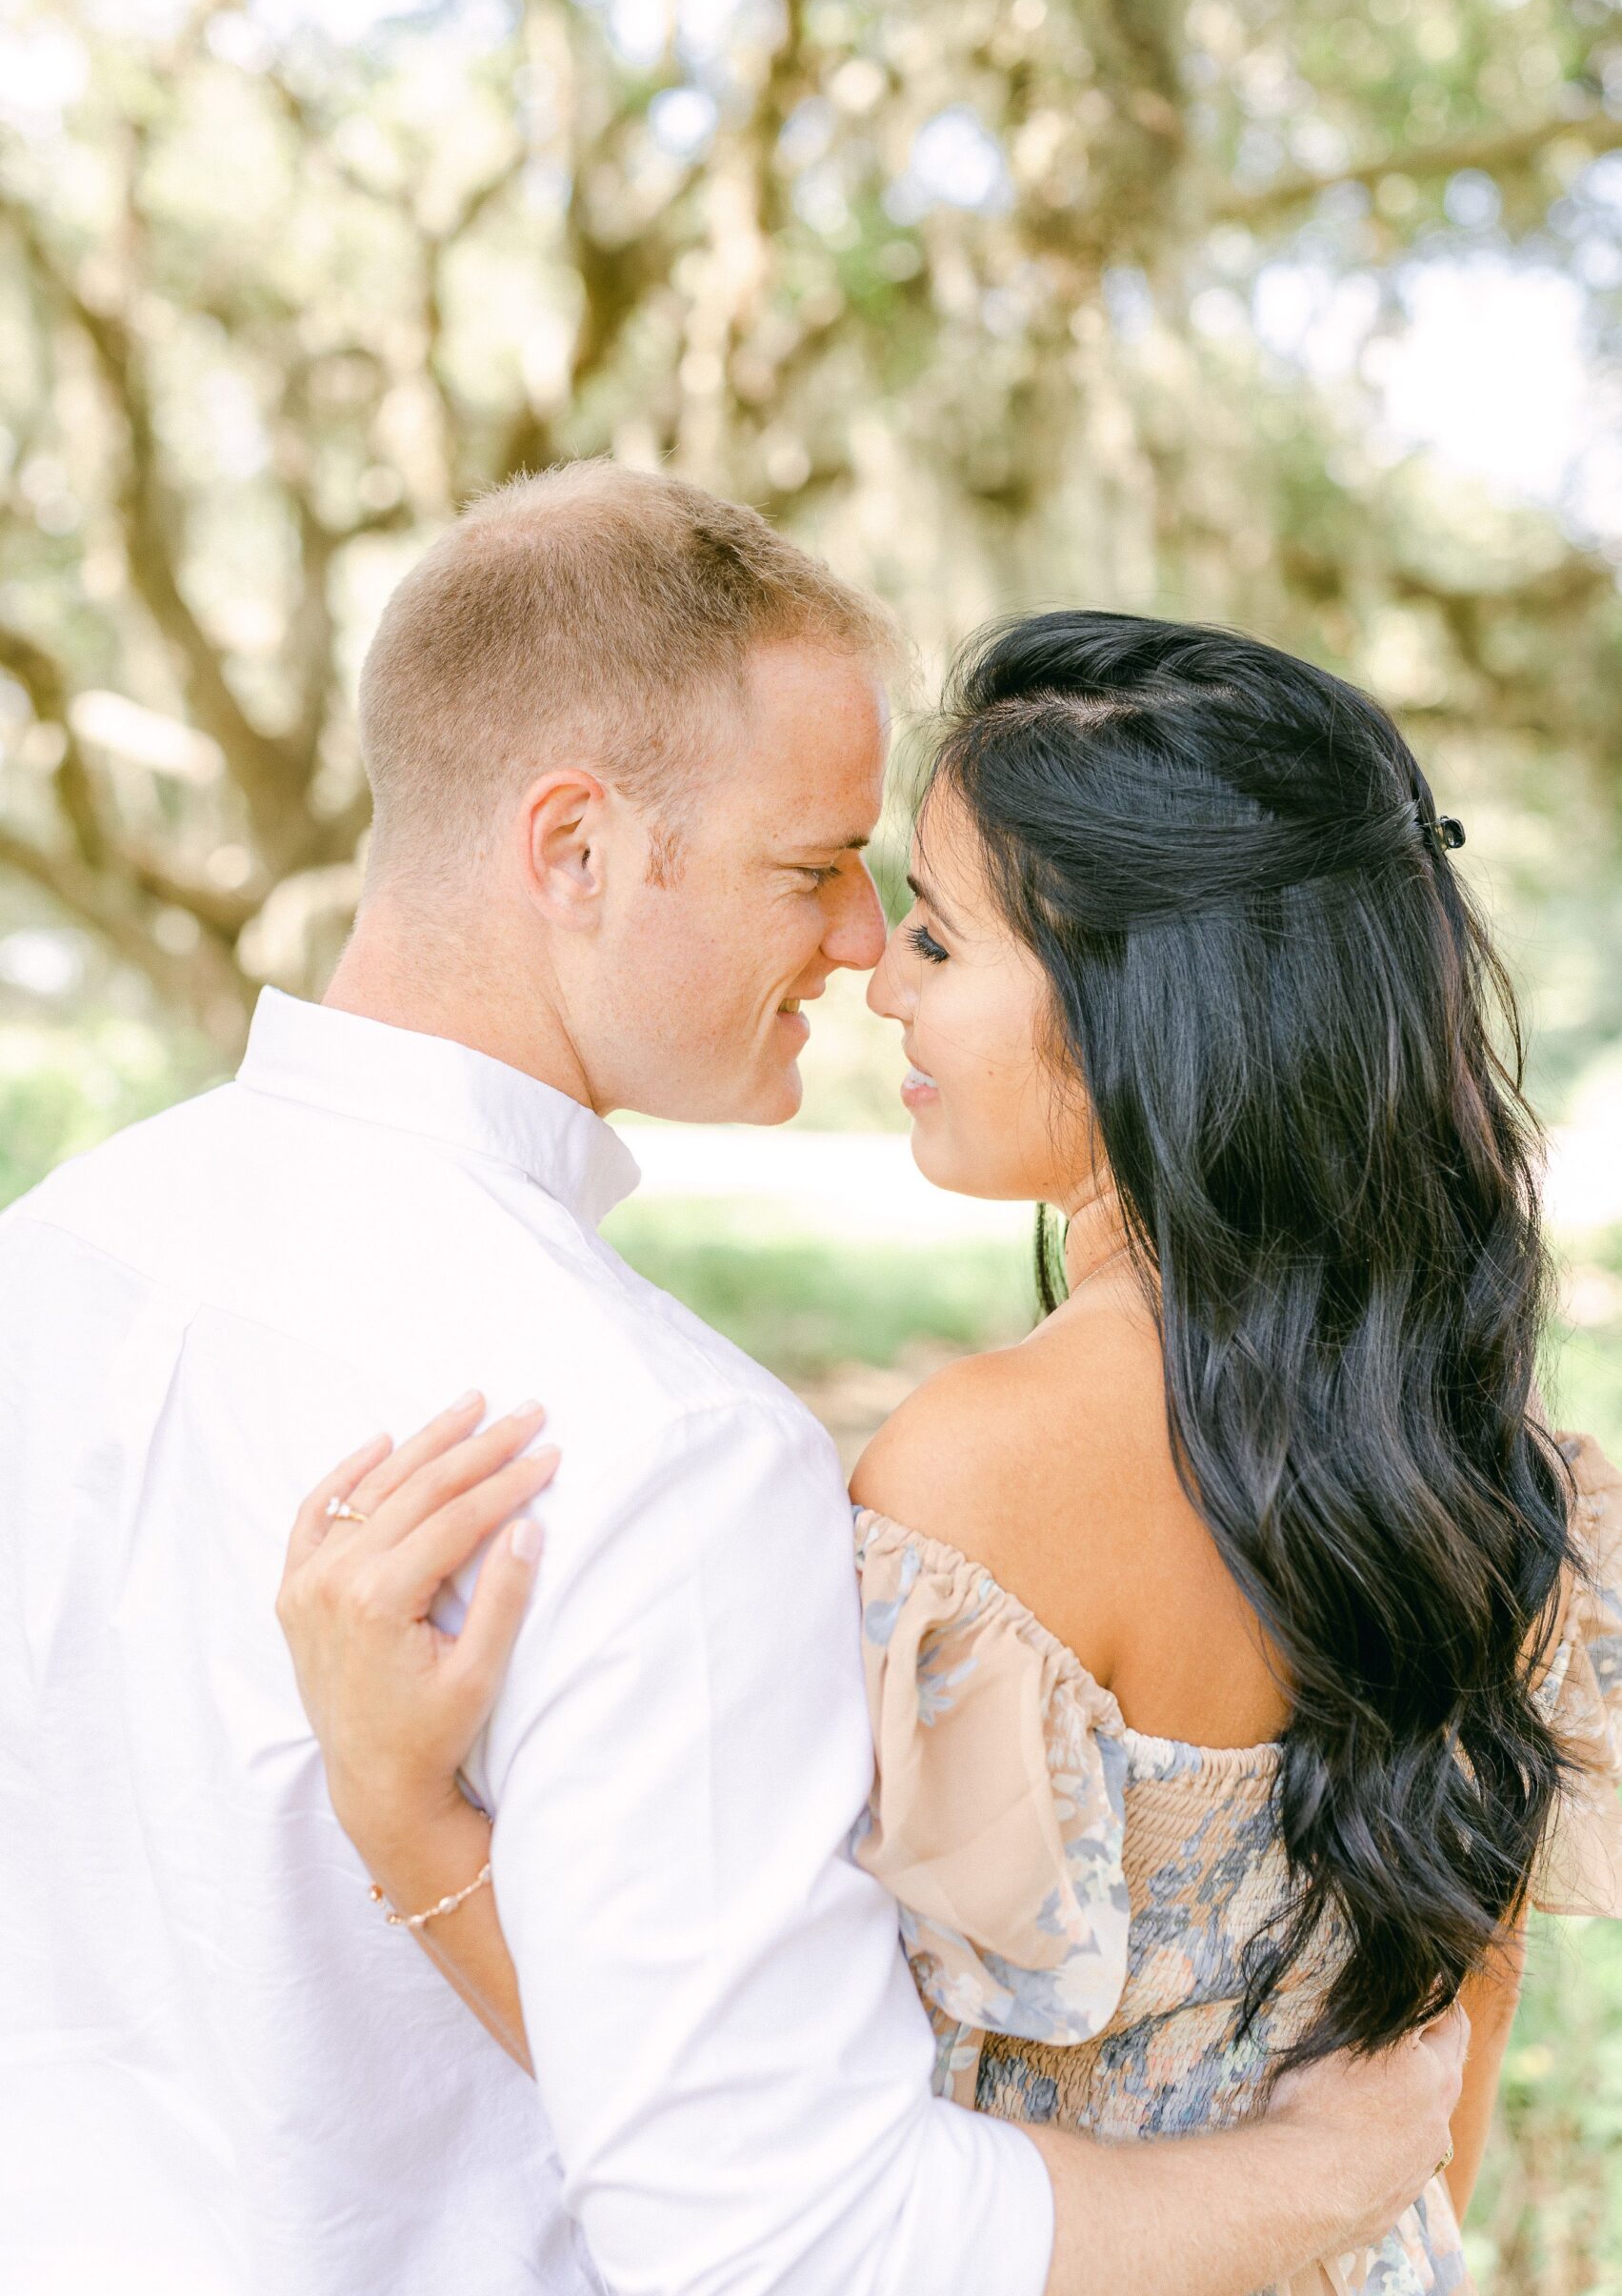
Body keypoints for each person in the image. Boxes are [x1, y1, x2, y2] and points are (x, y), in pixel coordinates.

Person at [0, 467, 1464, 2296]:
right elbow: (797, 2227)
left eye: (912, 905)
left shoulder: (58, 1251)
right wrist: (1333, 2190)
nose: (859, 946)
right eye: (814, 867)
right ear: (574, 852)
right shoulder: (656, 1444)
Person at [280, 603, 1622, 2292]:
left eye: (936, 934)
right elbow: (1444, 2115)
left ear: (1137, 998)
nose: (872, 978)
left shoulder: (984, 1473)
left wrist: (401, 1811)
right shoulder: (1508, 1484)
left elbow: (743, 2143)